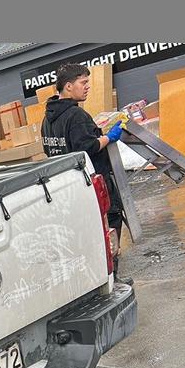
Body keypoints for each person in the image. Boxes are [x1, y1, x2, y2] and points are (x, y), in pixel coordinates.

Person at [41, 63, 126, 275]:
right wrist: (109, 137)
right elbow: (86, 148)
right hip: (92, 184)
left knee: (86, 232)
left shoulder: (48, 119)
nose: (88, 86)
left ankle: (93, 275)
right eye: (83, 82)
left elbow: (50, 149)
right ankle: (111, 278)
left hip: (68, 187)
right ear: (68, 86)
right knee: (109, 226)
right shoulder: (75, 115)